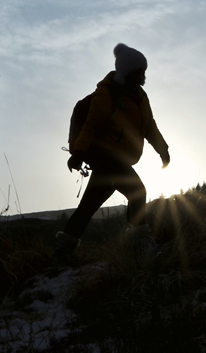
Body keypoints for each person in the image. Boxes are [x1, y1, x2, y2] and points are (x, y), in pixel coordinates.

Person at [55, 43, 170, 256]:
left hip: (120, 159)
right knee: (138, 192)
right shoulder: (107, 93)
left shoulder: (141, 97)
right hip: (104, 155)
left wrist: (163, 150)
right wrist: (78, 153)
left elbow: (149, 126)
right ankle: (139, 246)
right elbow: (91, 125)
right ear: (126, 72)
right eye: (138, 72)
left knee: (89, 205)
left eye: (143, 71)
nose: (142, 76)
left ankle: (62, 251)